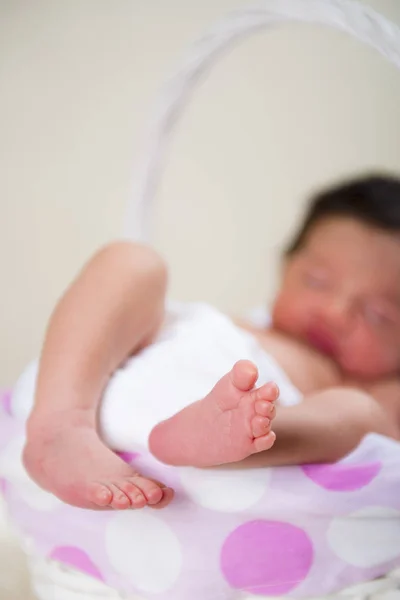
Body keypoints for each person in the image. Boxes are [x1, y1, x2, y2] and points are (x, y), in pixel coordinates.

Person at [22, 174, 400, 512]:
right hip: (108, 382)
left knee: (362, 413)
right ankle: (60, 423)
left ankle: (229, 440)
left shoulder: (369, 388)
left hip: (257, 423)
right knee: (134, 261)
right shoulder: (231, 325)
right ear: (286, 267)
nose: (335, 312)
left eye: (380, 314)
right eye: (316, 280)